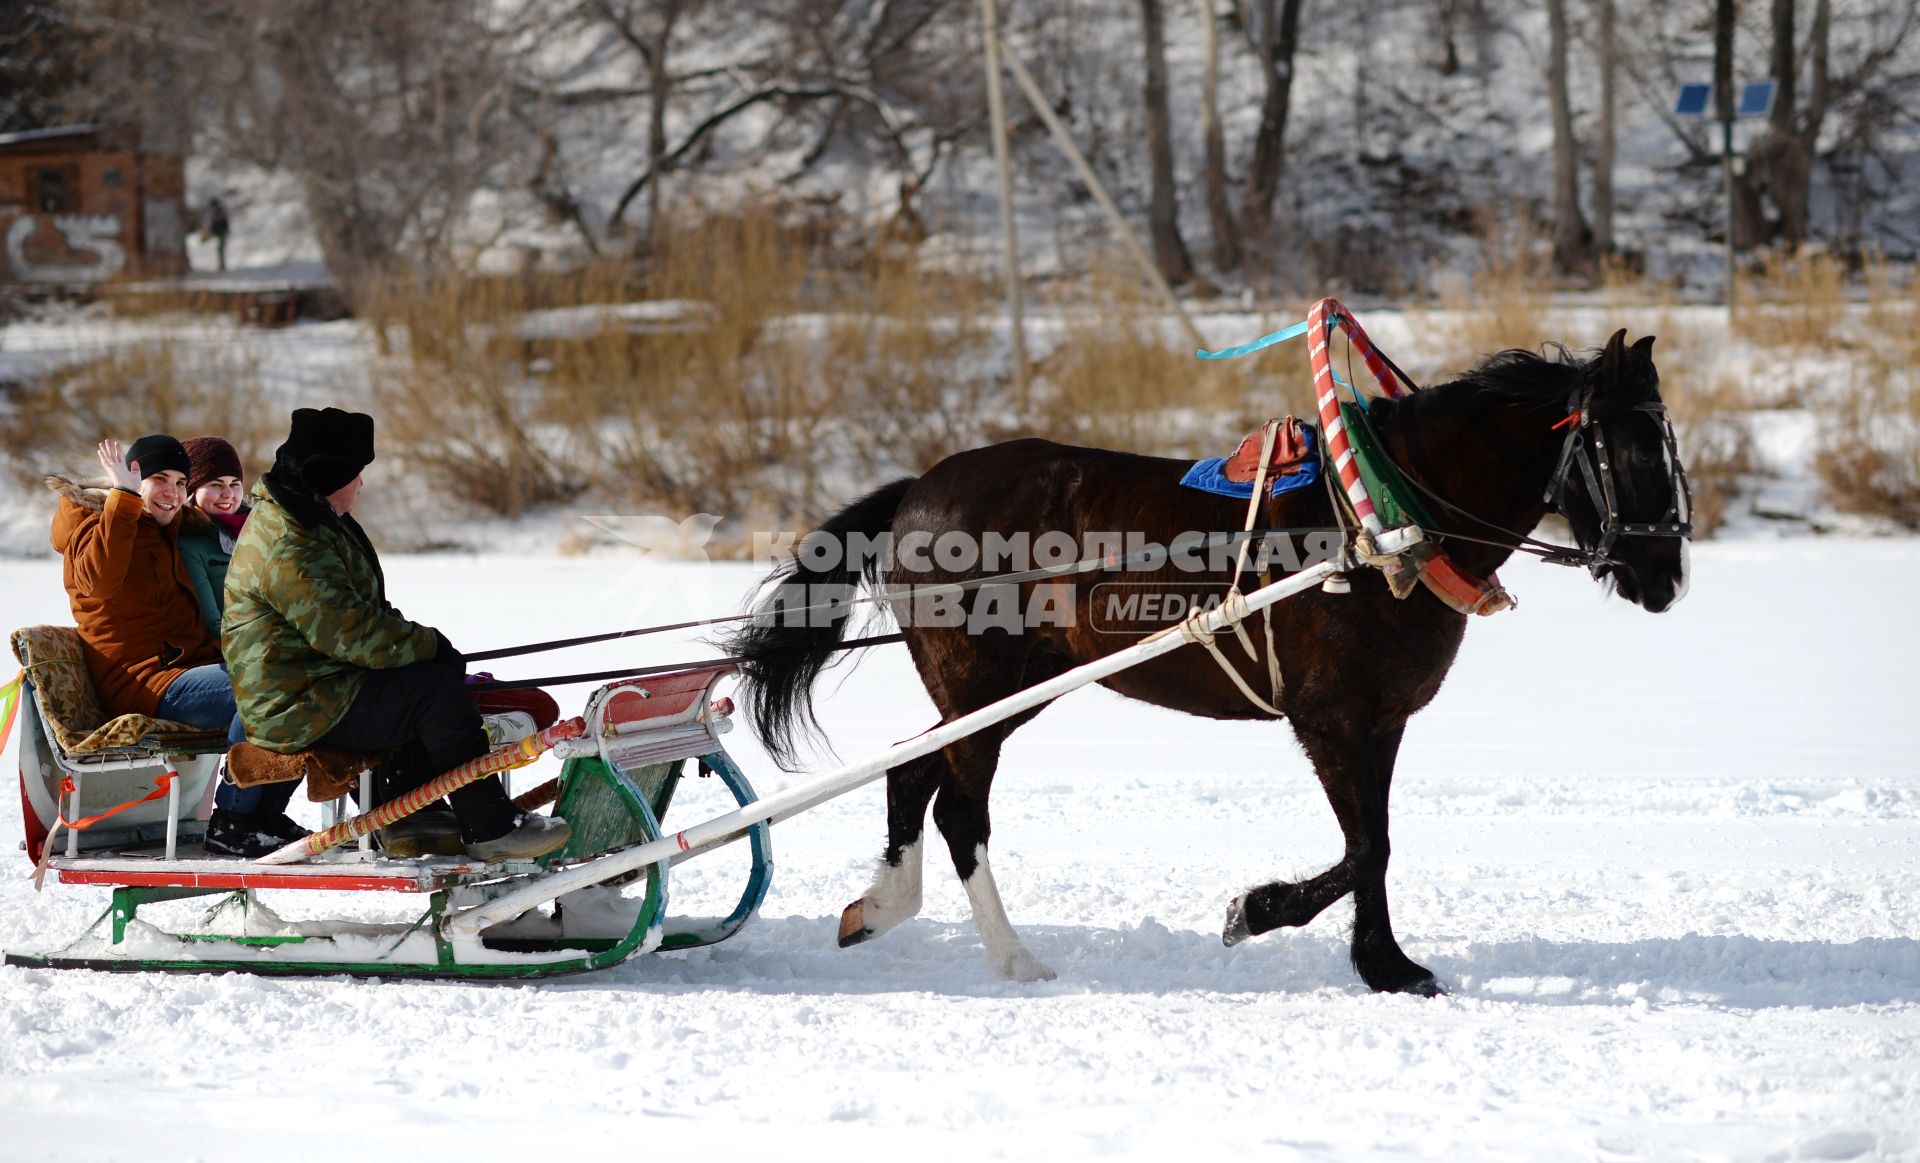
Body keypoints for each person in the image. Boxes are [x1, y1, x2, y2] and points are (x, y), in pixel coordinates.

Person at [223, 407, 570, 862]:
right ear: (332, 475)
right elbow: (349, 633)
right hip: (293, 704)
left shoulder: (313, 519)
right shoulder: (291, 539)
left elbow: (365, 615)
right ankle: (490, 827)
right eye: (357, 473)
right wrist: (430, 645)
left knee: (424, 682)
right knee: (432, 693)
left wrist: (423, 650)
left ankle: (413, 817)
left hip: (321, 684)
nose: (361, 484)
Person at [47, 435, 306, 856]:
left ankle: (266, 816)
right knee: (263, 691)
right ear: (131, 483)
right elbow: (99, 580)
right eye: (159, 479)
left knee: (305, 682)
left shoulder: (166, 530)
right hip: (144, 684)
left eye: (182, 482)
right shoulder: (92, 527)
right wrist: (123, 497)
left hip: (185, 670)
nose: (173, 492)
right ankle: (233, 820)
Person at [177, 436, 249, 636]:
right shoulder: (190, 545)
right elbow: (214, 625)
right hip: (240, 650)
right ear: (192, 490)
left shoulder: (258, 532)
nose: (228, 493)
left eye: (235, 484)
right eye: (216, 484)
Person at [205, 197, 230, 272]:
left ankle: (222, 265)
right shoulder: (216, 212)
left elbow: (219, 224)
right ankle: (221, 265)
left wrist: (213, 231)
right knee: (220, 250)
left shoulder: (219, 212)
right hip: (220, 233)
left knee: (220, 249)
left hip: (222, 233)